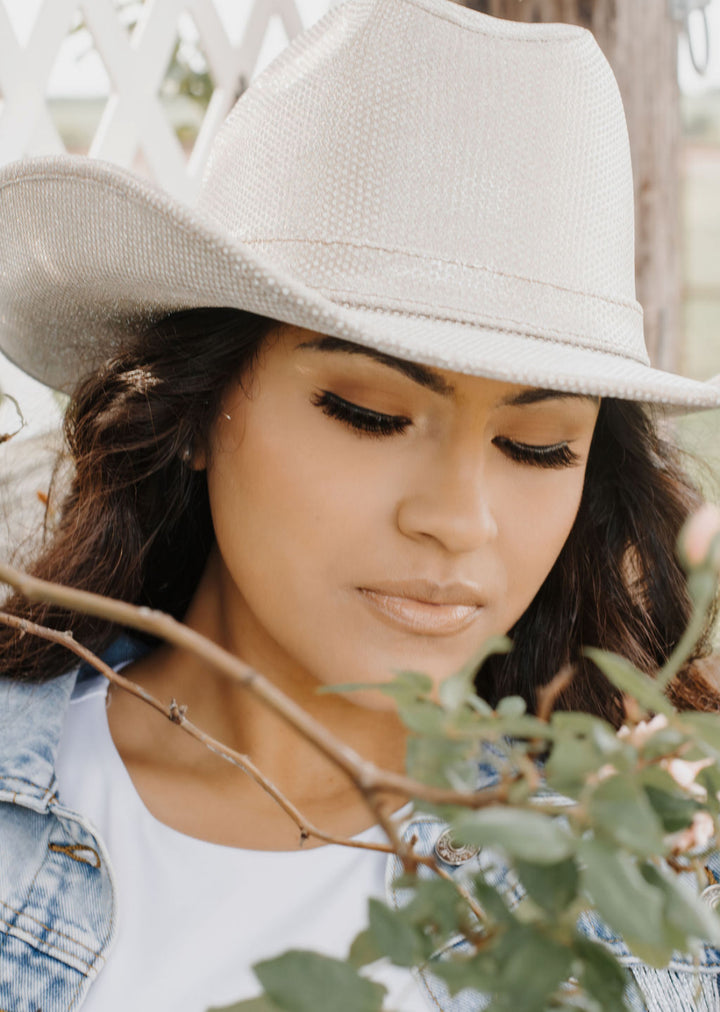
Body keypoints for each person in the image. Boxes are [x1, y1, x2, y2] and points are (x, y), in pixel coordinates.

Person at [1, 0, 720, 1009]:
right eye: (369, 412)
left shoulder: (650, 907)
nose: (458, 518)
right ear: (199, 412)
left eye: (537, 445)